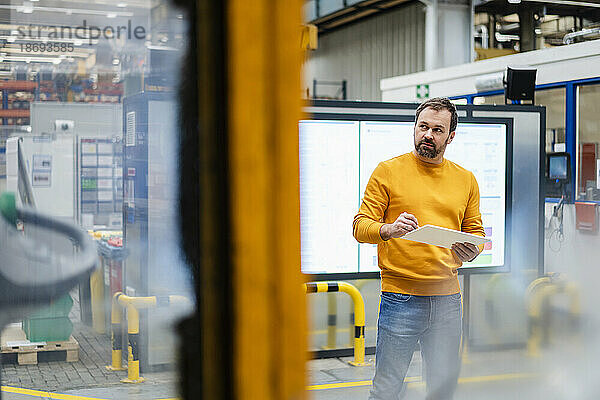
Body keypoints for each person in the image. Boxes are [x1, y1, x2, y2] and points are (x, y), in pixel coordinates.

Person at [353, 97, 485, 400]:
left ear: (450, 137)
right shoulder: (387, 171)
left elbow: (475, 231)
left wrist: (472, 250)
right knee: (386, 390)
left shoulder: (466, 179)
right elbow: (360, 227)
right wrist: (388, 229)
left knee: (442, 390)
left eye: (437, 130)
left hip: (448, 302)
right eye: (423, 126)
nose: (428, 134)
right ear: (414, 128)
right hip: (400, 299)